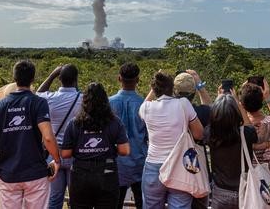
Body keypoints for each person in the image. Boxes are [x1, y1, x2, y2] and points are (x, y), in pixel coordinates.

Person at [0, 59, 61, 208]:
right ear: (33, 79)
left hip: (8, 174)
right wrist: (56, 160)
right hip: (36, 174)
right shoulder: (39, 103)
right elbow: (48, 138)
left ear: (14, 78)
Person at [139, 71, 204, 209]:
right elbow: (199, 134)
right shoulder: (183, 104)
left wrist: (154, 88)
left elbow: (145, 103)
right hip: (179, 165)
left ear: (154, 88)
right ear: (172, 89)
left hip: (153, 166)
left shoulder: (146, 107)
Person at [62, 82, 131, 208]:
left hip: (80, 174)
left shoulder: (74, 123)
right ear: (105, 100)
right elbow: (125, 150)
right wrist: (111, 148)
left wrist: (81, 150)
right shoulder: (115, 122)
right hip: (107, 172)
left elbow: (65, 153)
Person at [37, 64, 83, 209]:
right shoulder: (83, 99)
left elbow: (38, 93)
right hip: (75, 154)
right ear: (76, 79)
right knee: (76, 198)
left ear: (59, 79)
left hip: (53, 153)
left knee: (55, 198)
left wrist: (52, 74)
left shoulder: (49, 98)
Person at [206, 90, 257, 209]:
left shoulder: (210, 133)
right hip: (244, 190)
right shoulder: (246, 133)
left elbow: (210, 116)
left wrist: (219, 101)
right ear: (236, 113)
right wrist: (238, 104)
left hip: (220, 192)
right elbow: (249, 125)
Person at [109, 62, 147, 209]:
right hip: (139, 161)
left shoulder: (109, 103)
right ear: (137, 80)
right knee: (141, 203)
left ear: (119, 78)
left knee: (116, 203)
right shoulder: (144, 104)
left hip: (117, 163)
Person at [173, 70, 212, 209]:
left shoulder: (167, 110)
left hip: (174, 167)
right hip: (197, 167)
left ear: (174, 92)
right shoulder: (202, 112)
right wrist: (200, 85)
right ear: (193, 92)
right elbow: (209, 108)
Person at [239, 82, 270, 174]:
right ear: (261, 100)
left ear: (242, 104)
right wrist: (268, 98)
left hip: (252, 177)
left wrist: (242, 98)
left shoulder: (241, 128)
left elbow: (249, 128)